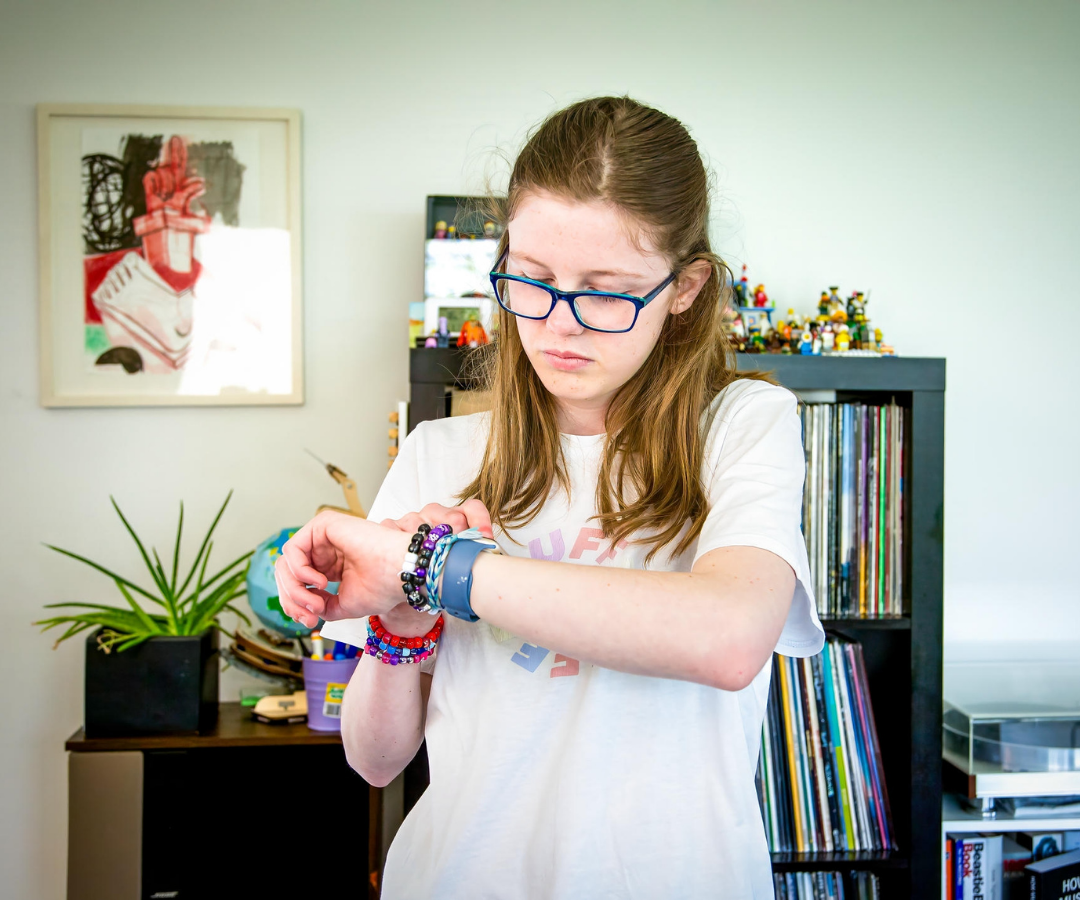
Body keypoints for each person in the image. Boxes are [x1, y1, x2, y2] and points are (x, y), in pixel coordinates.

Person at [275, 96, 824, 899]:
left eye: (607, 290)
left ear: (684, 288)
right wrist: (399, 618)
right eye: (531, 281)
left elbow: (730, 639)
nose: (560, 325)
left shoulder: (744, 425)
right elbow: (375, 758)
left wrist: (436, 567)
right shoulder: (441, 453)